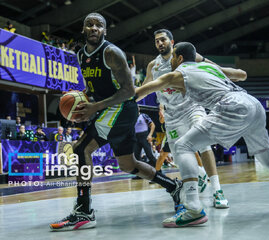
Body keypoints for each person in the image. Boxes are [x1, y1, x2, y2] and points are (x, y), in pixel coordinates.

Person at [134, 42, 269, 227]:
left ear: (180, 58)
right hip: (254, 105)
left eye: (173, 57)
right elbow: (241, 74)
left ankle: (193, 209)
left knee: (182, 146)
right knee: (267, 159)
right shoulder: (211, 68)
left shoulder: (178, 73)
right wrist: (209, 63)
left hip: (231, 106)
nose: (171, 61)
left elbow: (141, 92)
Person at [49, 13, 182, 231]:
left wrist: (95, 107)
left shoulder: (111, 53)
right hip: (110, 109)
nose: (94, 28)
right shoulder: (81, 55)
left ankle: (84, 211)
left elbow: (129, 91)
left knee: (81, 149)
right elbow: (95, 88)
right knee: (128, 165)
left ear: (105, 31)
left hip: (122, 108)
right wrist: (83, 99)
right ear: (83, 30)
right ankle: (173, 186)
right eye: (89, 25)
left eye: (99, 25)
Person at [142, 29, 229, 208]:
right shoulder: (153, 65)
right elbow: (147, 86)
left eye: (163, 40)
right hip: (171, 114)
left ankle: (217, 190)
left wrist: (224, 76)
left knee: (203, 143)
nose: (160, 43)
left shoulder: (187, 56)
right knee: (178, 153)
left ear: (172, 42)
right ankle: (199, 175)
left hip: (192, 107)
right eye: (157, 41)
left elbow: (210, 66)